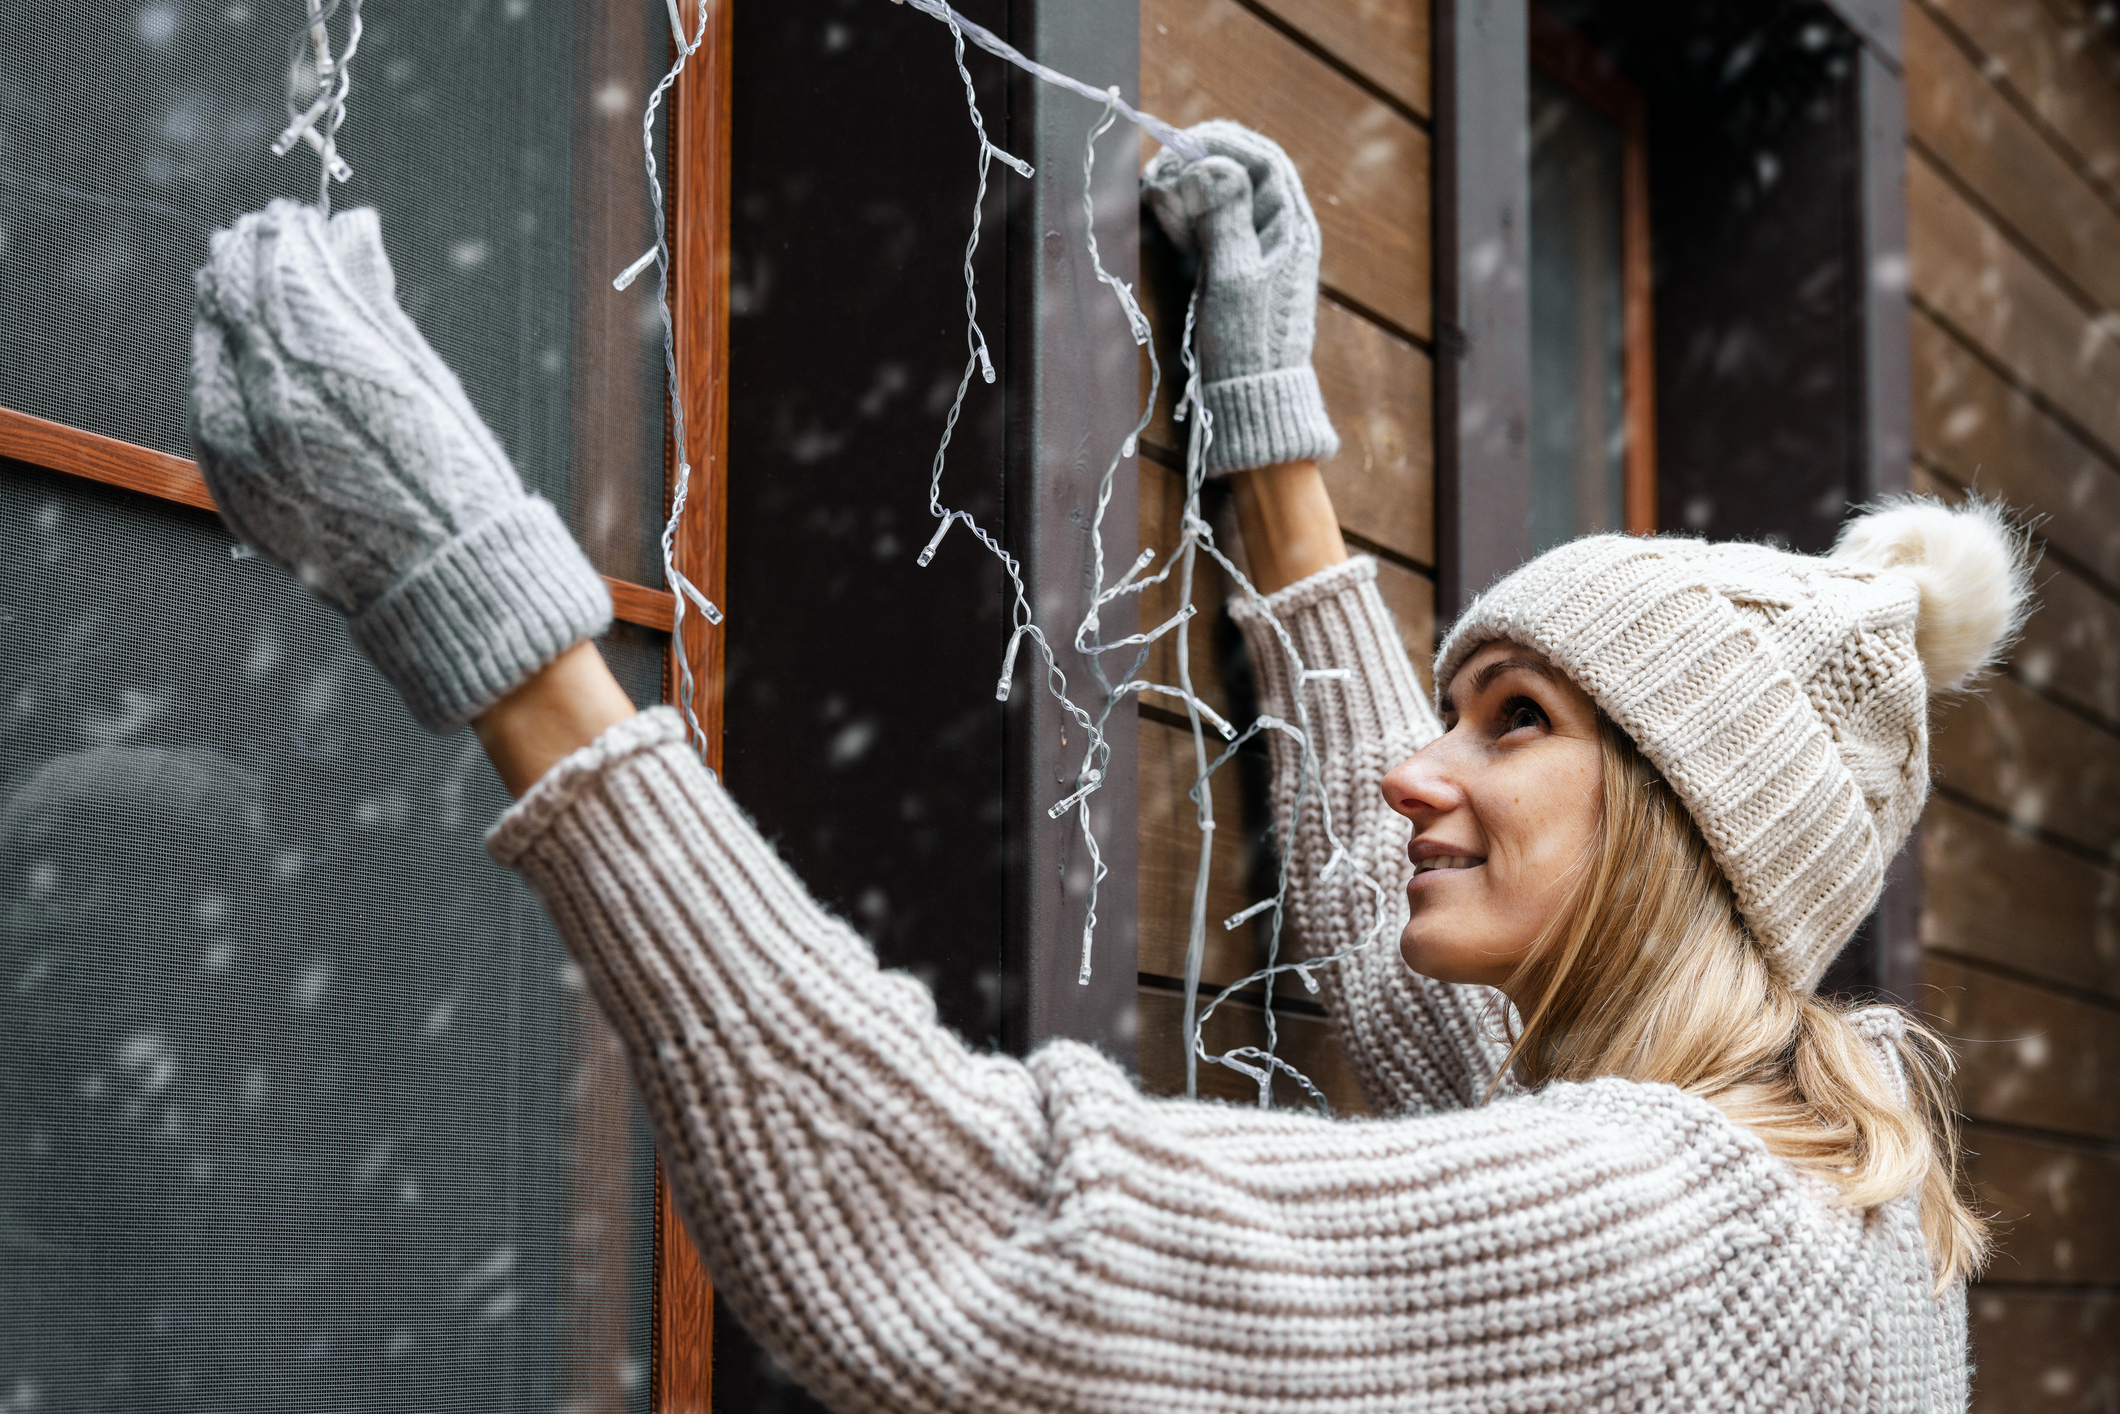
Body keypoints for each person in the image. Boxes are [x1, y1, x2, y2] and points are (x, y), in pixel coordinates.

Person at [187, 120, 2022, 1411]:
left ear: (1689, 839)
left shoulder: (1661, 1225)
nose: (1413, 774)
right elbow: (1404, 954)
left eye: (1516, 721)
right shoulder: (1833, 1188)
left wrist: (497, 622)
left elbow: (964, 1235)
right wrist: (1267, 434)